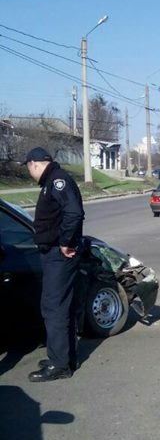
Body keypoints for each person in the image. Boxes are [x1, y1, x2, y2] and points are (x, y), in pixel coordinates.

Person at [23, 147, 85, 381]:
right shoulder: (53, 180)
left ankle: (59, 365)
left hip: (60, 256)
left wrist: (65, 243)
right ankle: (64, 358)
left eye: (29, 168)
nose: (30, 172)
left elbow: (74, 213)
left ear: (35, 164)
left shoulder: (57, 181)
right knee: (62, 306)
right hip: (56, 254)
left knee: (54, 307)